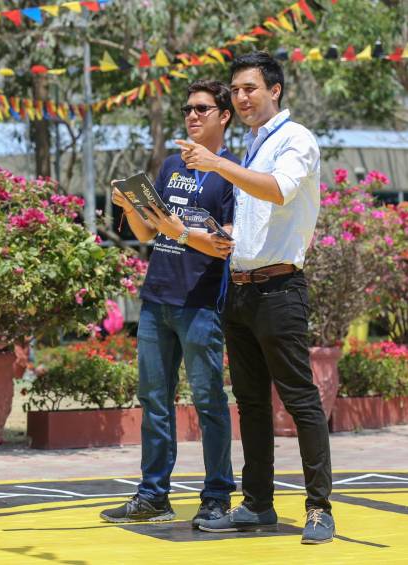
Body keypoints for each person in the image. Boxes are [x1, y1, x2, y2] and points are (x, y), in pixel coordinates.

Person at [176, 51, 334, 544]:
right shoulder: (252, 145)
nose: (241, 98)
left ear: (275, 90)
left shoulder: (295, 139)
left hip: (281, 289)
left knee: (301, 400)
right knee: (250, 404)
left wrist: (217, 164)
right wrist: (220, 234)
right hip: (240, 290)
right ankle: (258, 505)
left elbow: (280, 192)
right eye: (237, 90)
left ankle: (319, 510)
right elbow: (253, 217)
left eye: (250, 89)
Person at [100, 80, 238, 527]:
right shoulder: (170, 167)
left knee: (208, 401)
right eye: (187, 109)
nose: (192, 116)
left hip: (200, 304)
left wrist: (176, 229)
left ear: (224, 116)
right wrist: (129, 205)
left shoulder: (231, 173)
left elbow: (225, 244)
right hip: (156, 298)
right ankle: (153, 494)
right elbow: (146, 234)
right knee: (154, 400)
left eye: (202, 108)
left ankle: (216, 495)